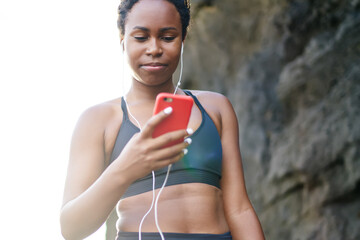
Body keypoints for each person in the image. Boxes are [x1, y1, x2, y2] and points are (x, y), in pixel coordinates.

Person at [60, 0, 265, 239]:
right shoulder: (99, 120)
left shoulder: (216, 108)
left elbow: (239, 209)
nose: (154, 49)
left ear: (183, 39)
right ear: (122, 38)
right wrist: (126, 168)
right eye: (141, 37)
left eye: (168, 37)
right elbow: (71, 228)